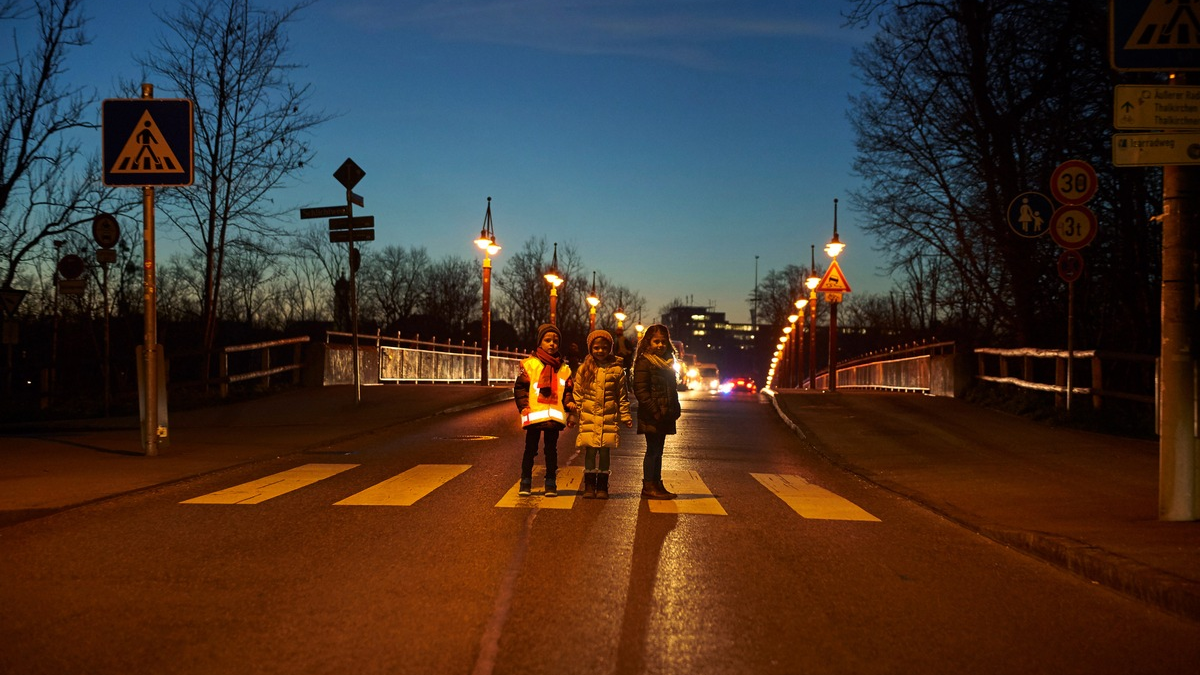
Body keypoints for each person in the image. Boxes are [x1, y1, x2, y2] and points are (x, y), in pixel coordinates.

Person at [514, 323, 575, 497]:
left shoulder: (563, 368)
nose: (552, 344)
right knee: (530, 450)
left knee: (551, 450)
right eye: (547, 340)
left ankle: (550, 482)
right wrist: (523, 406)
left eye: (555, 341)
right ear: (540, 342)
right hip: (534, 415)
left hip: (553, 418)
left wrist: (569, 403)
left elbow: (568, 390)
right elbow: (520, 389)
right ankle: (525, 481)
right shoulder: (530, 365)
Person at [572, 330, 633, 500]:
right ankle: (589, 485)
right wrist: (575, 413)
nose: (600, 351)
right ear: (591, 348)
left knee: (605, 453)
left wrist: (626, 416)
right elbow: (578, 393)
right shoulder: (584, 369)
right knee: (590, 453)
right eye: (596, 347)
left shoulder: (617, 370)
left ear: (610, 349)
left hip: (608, 418)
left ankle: (602, 486)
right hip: (589, 417)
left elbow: (622, 396)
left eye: (604, 348)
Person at [632, 323, 681, 499]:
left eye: (663, 341)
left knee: (659, 450)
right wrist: (655, 412)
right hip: (652, 415)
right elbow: (640, 390)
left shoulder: (668, 363)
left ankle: (657, 483)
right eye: (656, 341)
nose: (660, 345)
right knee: (652, 450)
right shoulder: (645, 362)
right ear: (648, 343)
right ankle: (649, 485)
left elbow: (671, 390)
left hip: (665, 414)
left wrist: (675, 409)